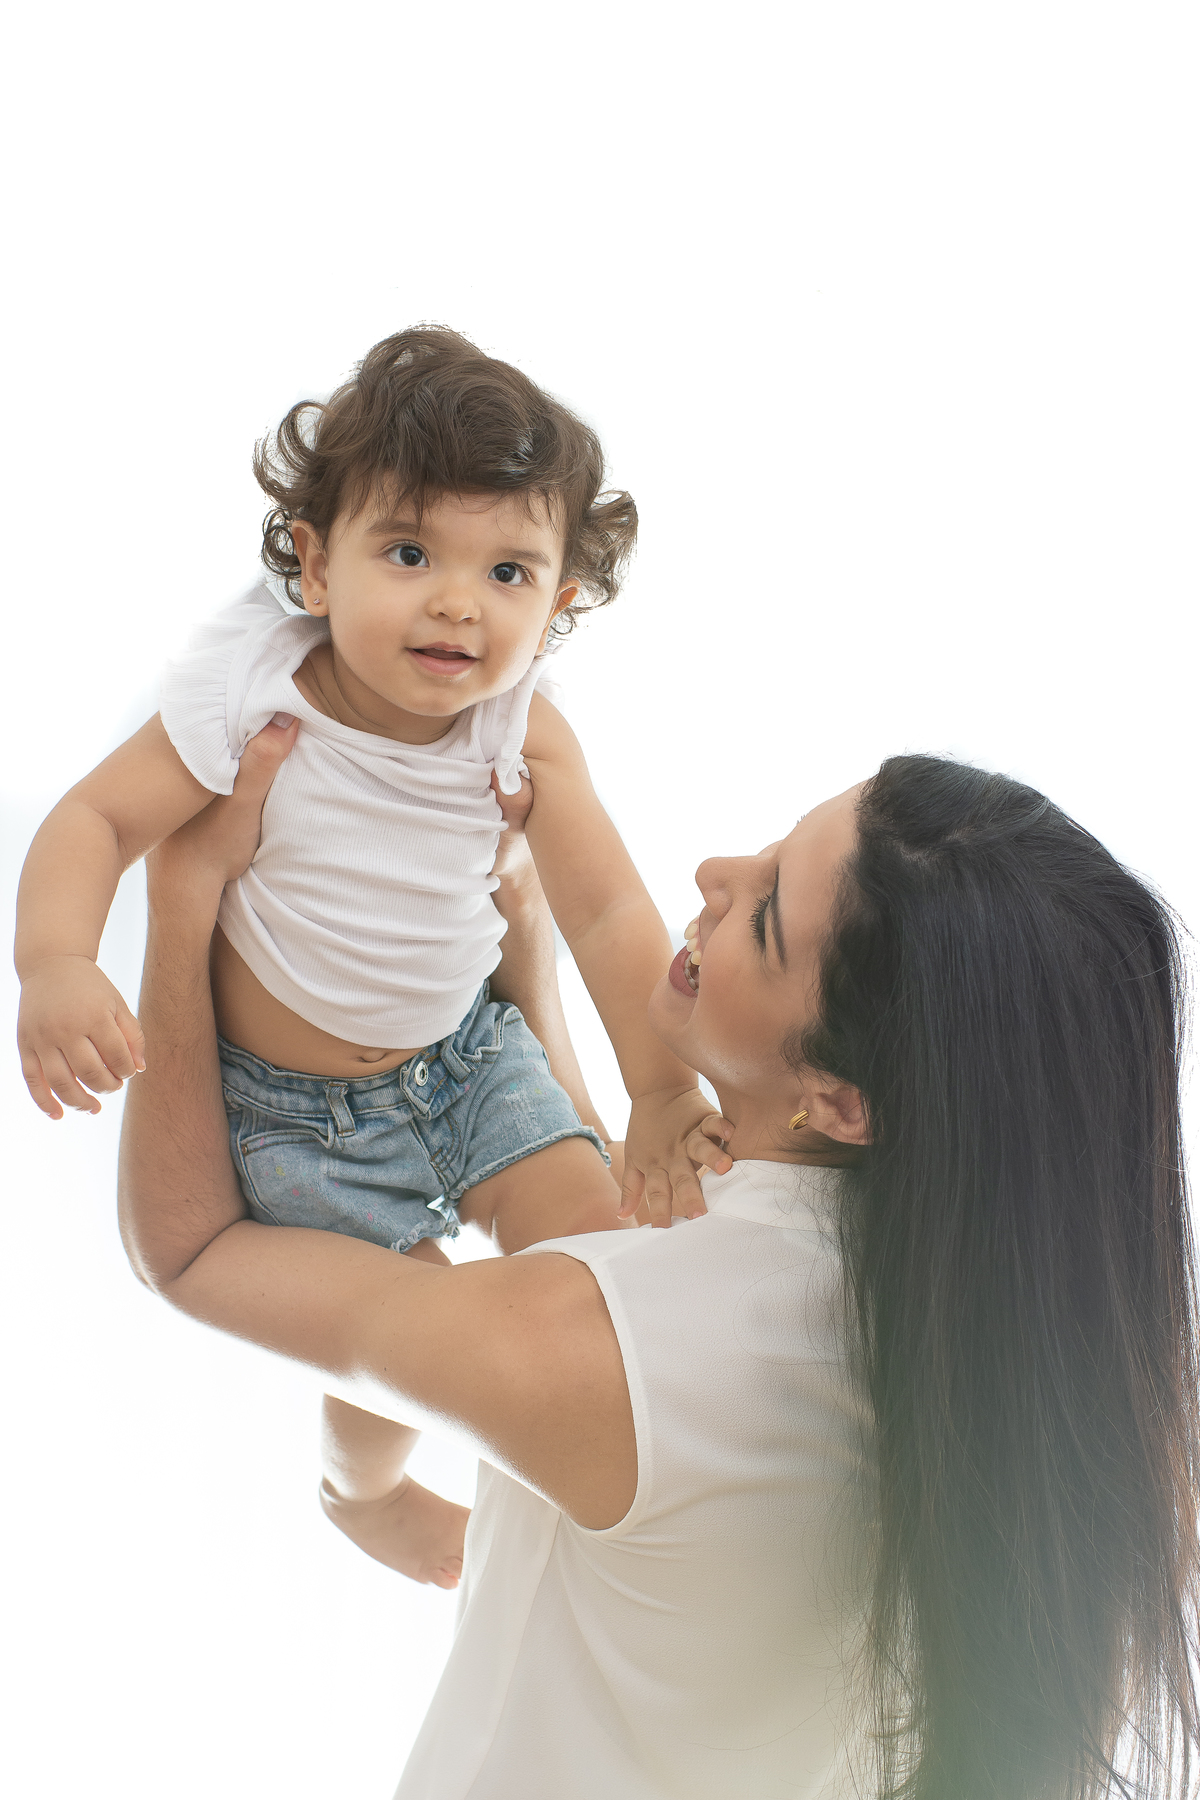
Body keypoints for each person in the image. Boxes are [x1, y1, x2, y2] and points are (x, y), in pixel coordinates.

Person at [118, 727, 1200, 1800]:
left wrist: (180, 896)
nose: (714, 874)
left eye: (765, 916)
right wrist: (521, 923)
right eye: (770, 850)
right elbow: (616, 1235)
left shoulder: (590, 1344)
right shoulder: (1021, 1357)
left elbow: (192, 1248)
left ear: (842, 1100)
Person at [13, 327, 724, 1585]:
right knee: (415, 1346)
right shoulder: (251, 699)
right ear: (314, 564)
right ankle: (366, 1493)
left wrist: (662, 1088)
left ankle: (613, 1493)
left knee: (603, 1246)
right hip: (296, 1119)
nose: (457, 602)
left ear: (561, 602)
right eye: (409, 553)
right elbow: (95, 820)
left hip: (468, 1063)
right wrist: (57, 963)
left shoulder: (524, 733)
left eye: (507, 570)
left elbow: (611, 913)